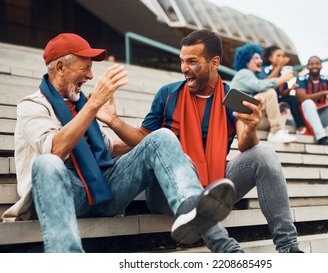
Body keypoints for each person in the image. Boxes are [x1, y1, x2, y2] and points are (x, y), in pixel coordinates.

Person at [2, 33, 236, 252]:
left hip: (106, 188)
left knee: (162, 137)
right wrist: (93, 107)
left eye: (91, 69)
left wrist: (125, 127)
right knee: (46, 164)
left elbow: (107, 149)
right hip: (67, 190)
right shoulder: (32, 105)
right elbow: (55, 149)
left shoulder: (234, 94)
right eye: (85, 68)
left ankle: (195, 214)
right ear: (60, 67)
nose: (91, 76)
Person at [99, 30, 303, 253]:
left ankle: (289, 249)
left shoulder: (233, 96)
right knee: (181, 157)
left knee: (265, 154)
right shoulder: (167, 94)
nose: (184, 68)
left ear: (214, 62)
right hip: (166, 191)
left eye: (192, 61)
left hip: (216, 184)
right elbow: (145, 140)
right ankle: (227, 249)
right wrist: (114, 121)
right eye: (182, 61)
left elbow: (245, 144)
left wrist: (253, 127)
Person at [230, 43, 297, 143]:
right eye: (256, 58)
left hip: (250, 119)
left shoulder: (253, 76)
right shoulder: (244, 72)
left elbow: (260, 85)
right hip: (239, 119)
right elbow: (260, 86)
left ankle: (276, 133)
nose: (260, 61)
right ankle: (275, 132)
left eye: (260, 58)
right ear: (246, 60)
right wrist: (282, 79)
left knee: (283, 108)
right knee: (269, 93)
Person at [261, 45, 307, 135]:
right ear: (270, 58)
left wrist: (290, 88)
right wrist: (279, 66)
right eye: (278, 56)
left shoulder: (282, 73)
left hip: (277, 97)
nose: (281, 58)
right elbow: (264, 83)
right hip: (265, 97)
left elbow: (282, 93)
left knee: (292, 98)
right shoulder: (264, 69)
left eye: (282, 56)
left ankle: (300, 127)